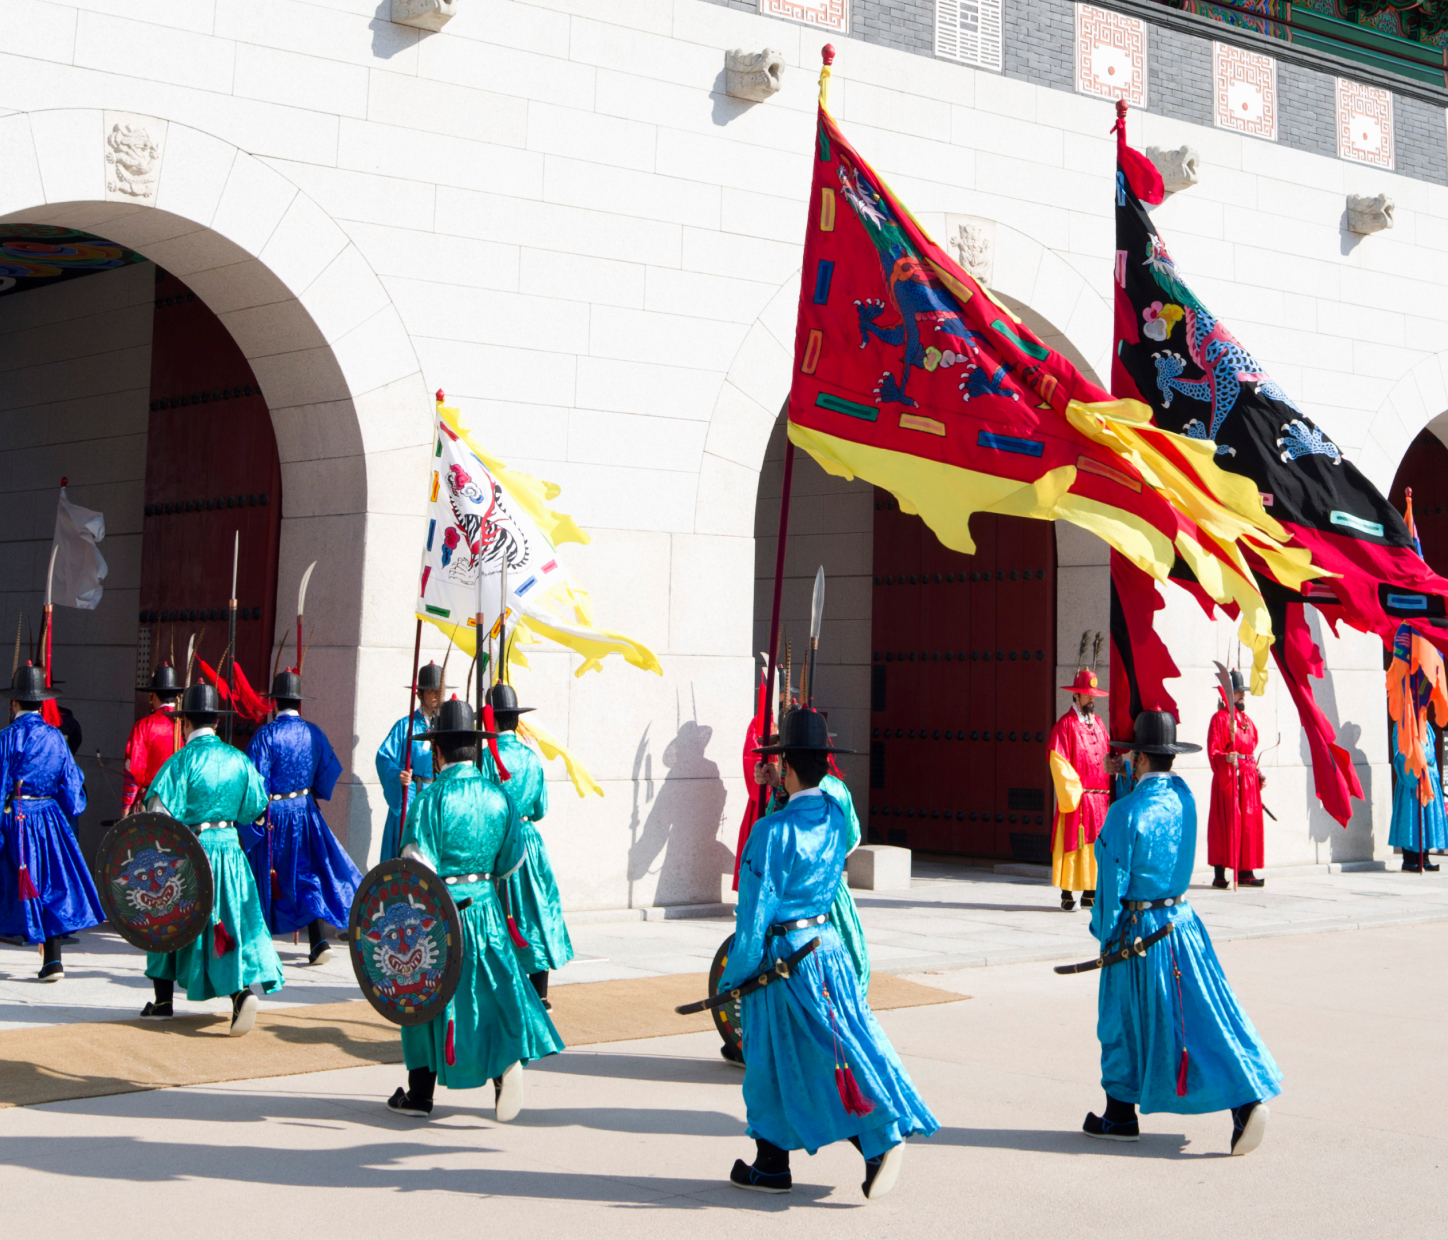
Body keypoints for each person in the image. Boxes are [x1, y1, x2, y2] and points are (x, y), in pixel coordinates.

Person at [724, 708, 936, 1201]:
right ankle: (772, 1160)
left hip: (783, 960)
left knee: (779, 1056)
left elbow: (754, 914)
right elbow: (809, 814)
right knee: (830, 1048)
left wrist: (735, 975)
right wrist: (777, 793)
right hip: (828, 948)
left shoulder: (772, 832)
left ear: (787, 766)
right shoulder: (835, 815)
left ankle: (871, 1141)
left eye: (779, 761)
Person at [1085, 710, 1280, 1154]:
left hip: (1137, 933)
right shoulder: (1183, 797)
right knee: (1206, 1016)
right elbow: (1145, 811)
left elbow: (1113, 878)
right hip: (1182, 924)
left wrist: (1104, 932)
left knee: (1120, 1021)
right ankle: (1243, 1099)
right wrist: (1124, 782)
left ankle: (1120, 1115)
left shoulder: (1126, 811)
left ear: (1136, 758)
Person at [386, 697, 564, 1121]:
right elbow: (511, 861)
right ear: (475, 747)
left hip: (438, 910)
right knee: (491, 991)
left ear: (440, 750)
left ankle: (420, 1092)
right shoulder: (499, 797)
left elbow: (415, 861)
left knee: (423, 993)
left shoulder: (429, 799)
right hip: (485, 906)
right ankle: (503, 1069)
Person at [140, 682, 284, 1034]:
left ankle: (162, 1001)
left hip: (191, 849)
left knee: (165, 915)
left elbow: (158, 813)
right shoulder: (239, 759)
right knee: (232, 921)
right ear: (217, 723)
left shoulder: (181, 762)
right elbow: (256, 809)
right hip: (231, 849)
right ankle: (239, 994)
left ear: (184, 720)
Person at [242, 669, 363, 964]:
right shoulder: (314, 733)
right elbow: (329, 770)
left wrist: (252, 817)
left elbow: (254, 782)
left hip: (273, 815)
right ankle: (318, 940)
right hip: (305, 811)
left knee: (270, 875)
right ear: (299, 702)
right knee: (307, 874)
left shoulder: (266, 736)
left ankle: (263, 942)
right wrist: (312, 792)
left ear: (274, 702)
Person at [0, 663, 103, 980]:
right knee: (51, 882)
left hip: (16, 817)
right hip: (49, 818)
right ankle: (53, 960)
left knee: (13, 882)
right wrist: (69, 807)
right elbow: (72, 788)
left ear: (14, 703)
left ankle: (50, 958)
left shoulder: (6, 737)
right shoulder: (57, 738)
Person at [483, 682, 573, 1011]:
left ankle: (502, 988)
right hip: (529, 842)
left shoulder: (485, 758)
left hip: (496, 846)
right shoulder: (530, 757)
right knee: (538, 909)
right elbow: (540, 808)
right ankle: (541, 992)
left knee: (498, 912)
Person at [1049, 668, 1110, 912]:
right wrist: (1074, 791)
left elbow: (1107, 754)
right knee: (1073, 843)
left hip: (1100, 798)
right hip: (1077, 797)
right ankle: (1066, 892)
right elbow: (1057, 759)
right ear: (1076, 697)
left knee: (1095, 846)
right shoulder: (1065, 725)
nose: (1092, 699)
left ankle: (1090, 891)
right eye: (1087, 695)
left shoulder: (1099, 724)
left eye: (1093, 695)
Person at [376, 661, 446, 862]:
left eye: (439, 691)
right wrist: (397, 774)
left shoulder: (447, 727)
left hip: (437, 796)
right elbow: (383, 757)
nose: (436, 696)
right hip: (411, 795)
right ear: (420, 694)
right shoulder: (405, 726)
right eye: (431, 692)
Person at [1207, 670, 1265, 888]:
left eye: (1243, 693)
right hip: (1229, 777)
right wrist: (1225, 758)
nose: (1242, 697)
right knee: (1225, 823)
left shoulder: (1246, 720)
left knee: (1249, 824)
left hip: (1247, 779)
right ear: (1228, 695)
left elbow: (1250, 751)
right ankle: (1220, 873)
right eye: (1238, 693)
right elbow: (1214, 751)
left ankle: (1246, 870)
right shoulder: (1219, 719)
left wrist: (1257, 774)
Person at [120, 663, 183, 815]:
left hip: (150, 802)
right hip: (181, 804)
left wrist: (125, 807)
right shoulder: (184, 725)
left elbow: (134, 771)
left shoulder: (144, 726)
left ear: (153, 696)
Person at [1389, 717, 1446, 873]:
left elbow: (1431, 750)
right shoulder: (1401, 724)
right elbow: (1400, 751)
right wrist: (1412, 771)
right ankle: (1409, 860)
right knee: (1411, 819)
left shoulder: (1426, 724)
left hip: (1428, 776)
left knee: (1427, 819)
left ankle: (1425, 858)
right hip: (1411, 778)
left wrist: (1432, 774)